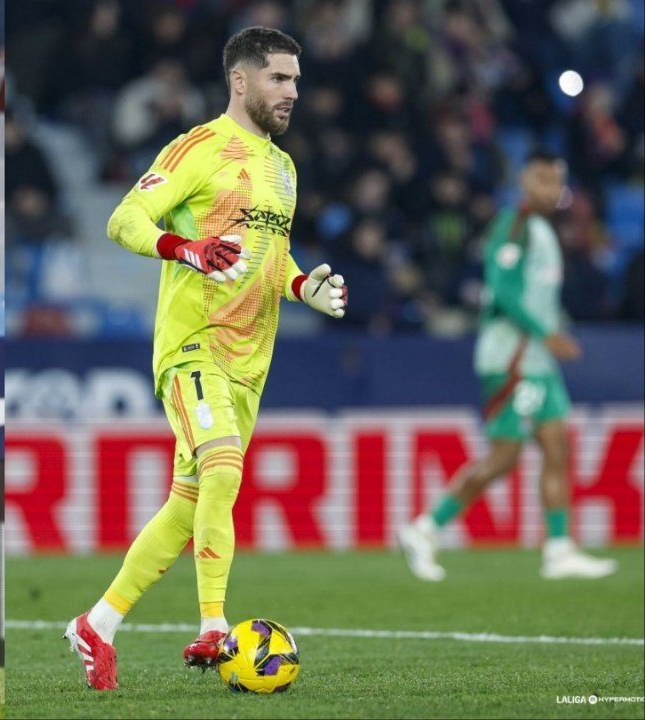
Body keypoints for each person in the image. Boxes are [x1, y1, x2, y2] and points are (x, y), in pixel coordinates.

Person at [64, 27, 349, 691]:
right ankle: (215, 628)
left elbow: (270, 258)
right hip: (193, 345)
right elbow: (125, 220)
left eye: (297, 81)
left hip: (252, 362)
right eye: (280, 79)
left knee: (192, 502)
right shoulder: (198, 147)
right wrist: (185, 250)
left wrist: (305, 286)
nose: (293, 93)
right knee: (223, 466)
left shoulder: (284, 168)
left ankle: (96, 624)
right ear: (242, 80)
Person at [398, 150, 618, 582]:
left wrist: (554, 330)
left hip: (537, 361)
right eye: (540, 179)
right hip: (513, 359)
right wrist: (546, 332)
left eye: (555, 180)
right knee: (504, 457)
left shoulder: (540, 229)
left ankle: (559, 550)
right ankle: (425, 527)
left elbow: (536, 295)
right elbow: (502, 289)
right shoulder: (512, 225)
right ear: (523, 180)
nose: (549, 189)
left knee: (557, 446)